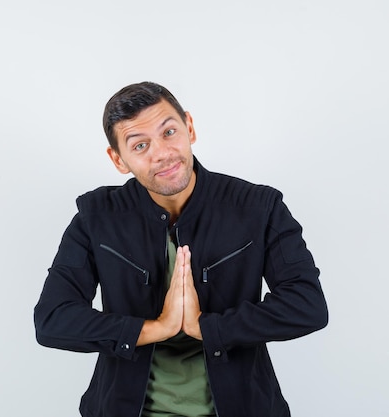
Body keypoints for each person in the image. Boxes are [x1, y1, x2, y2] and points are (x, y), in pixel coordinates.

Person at [33, 81, 328, 417]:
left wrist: (208, 328)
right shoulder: (96, 216)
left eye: (169, 132)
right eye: (140, 145)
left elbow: (307, 305)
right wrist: (155, 328)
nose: (162, 152)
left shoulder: (259, 207)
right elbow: (53, 320)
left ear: (189, 127)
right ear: (118, 159)